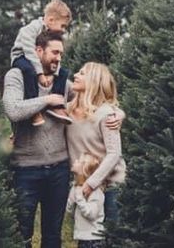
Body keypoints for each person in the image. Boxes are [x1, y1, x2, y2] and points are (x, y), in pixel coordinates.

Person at [3, 28, 73, 248]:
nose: (58, 58)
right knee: (22, 233)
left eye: (61, 54)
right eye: (54, 53)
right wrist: (47, 100)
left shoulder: (64, 81)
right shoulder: (16, 76)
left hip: (59, 169)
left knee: (53, 235)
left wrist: (117, 114)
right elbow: (13, 110)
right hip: (26, 168)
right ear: (38, 51)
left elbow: (91, 102)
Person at [66, 62, 126, 233]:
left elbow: (114, 154)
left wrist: (91, 184)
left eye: (82, 73)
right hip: (85, 183)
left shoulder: (106, 114)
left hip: (110, 185)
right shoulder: (68, 112)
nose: (76, 75)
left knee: (110, 236)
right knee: (87, 237)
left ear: (94, 81)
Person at [10, 0, 73, 126]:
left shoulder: (52, 35)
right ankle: (34, 109)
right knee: (29, 71)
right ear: (50, 20)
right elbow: (29, 50)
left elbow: (56, 56)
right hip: (21, 56)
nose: (63, 30)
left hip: (35, 59)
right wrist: (40, 74)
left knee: (63, 73)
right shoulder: (33, 28)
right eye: (63, 26)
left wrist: (54, 75)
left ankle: (58, 105)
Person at [67, 155, 106, 244]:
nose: (75, 160)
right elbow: (69, 210)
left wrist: (79, 198)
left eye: (79, 161)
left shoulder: (96, 192)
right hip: (82, 237)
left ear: (84, 170)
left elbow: (91, 214)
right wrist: (73, 197)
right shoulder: (76, 187)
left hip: (94, 238)